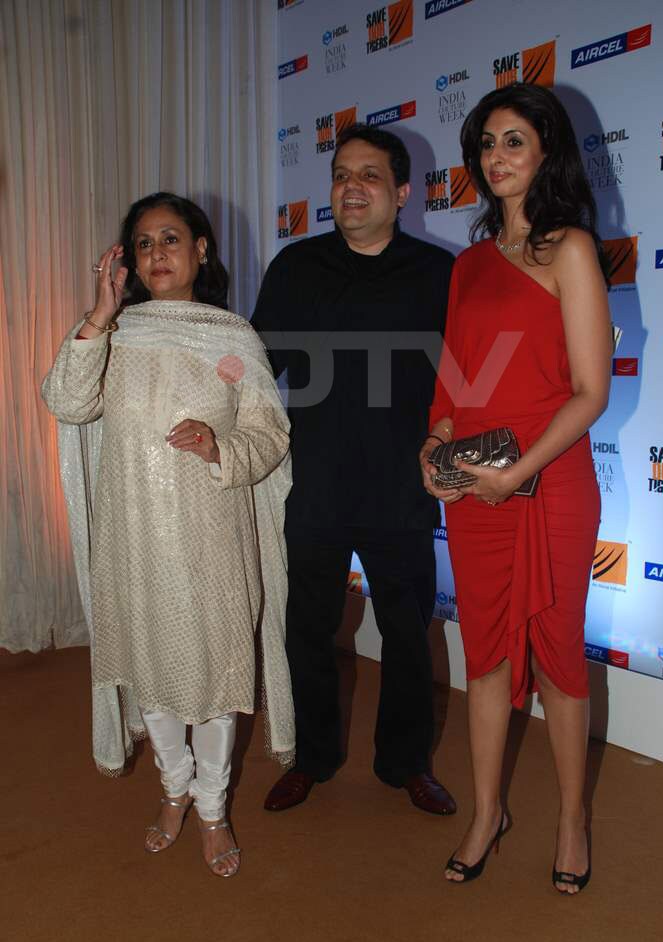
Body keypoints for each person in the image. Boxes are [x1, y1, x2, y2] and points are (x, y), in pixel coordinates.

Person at [42, 192, 293, 877]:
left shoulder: (233, 339)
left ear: (201, 250)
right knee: (152, 676)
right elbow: (66, 400)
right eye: (144, 243)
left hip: (211, 538)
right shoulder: (113, 337)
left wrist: (219, 447)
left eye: (172, 239)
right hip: (135, 538)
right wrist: (98, 313)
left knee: (215, 677)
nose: (158, 253)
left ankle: (212, 810)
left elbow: (269, 432)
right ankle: (174, 793)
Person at [420, 84, 611, 893]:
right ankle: (487, 810)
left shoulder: (571, 248)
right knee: (487, 652)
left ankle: (571, 820)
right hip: (477, 489)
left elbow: (590, 391)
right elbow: (456, 385)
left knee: (561, 655)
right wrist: (434, 448)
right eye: (487, 144)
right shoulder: (466, 265)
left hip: (551, 482)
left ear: (546, 153)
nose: (497, 158)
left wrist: (519, 474)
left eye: (514, 142)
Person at [252, 124, 456, 815]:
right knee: (307, 627)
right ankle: (312, 757)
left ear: (402, 193)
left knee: (405, 632)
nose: (352, 187)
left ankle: (406, 764)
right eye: (342, 174)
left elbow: (463, 384)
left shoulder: (438, 275)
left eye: (370, 175)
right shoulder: (295, 268)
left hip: (402, 487)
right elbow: (254, 371)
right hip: (317, 483)